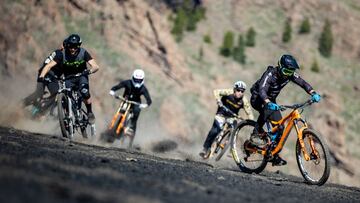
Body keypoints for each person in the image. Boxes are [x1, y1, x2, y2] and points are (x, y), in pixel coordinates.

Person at [249, 54, 321, 166]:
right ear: (280, 67)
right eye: (286, 71)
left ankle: (273, 155)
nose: (288, 74)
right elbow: (262, 89)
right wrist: (267, 102)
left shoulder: (289, 74)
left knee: (280, 127)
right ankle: (256, 134)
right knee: (266, 109)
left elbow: (302, 83)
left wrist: (313, 92)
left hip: (271, 101)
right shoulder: (270, 74)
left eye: (290, 72)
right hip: (258, 98)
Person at [39, 34, 100, 124]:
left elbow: (96, 66)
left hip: (81, 76)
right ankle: (68, 115)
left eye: (75, 47)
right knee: (66, 95)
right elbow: (48, 66)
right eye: (70, 46)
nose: (72, 49)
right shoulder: (62, 54)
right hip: (68, 78)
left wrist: (89, 71)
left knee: (85, 93)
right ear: (67, 45)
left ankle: (89, 112)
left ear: (79, 46)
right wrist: (41, 77)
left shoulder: (83, 52)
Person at [200, 80, 254, 159]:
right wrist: (218, 100)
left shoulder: (244, 100)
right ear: (234, 89)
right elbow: (216, 91)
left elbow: (249, 113)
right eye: (238, 90)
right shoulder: (228, 92)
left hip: (232, 117)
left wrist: (251, 123)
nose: (240, 93)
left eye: (242, 91)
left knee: (235, 129)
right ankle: (205, 148)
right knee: (215, 130)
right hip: (221, 115)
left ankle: (230, 149)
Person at [23, 39, 67, 116]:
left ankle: (41, 109)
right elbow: (48, 66)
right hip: (46, 74)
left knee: (57, 94)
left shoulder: (60, 53)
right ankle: (21, 105)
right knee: (38, 94)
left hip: (51, 76)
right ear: (63, 47)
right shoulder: (59, 54)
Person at [109, 69, 152, 136]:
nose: (137, 81)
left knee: (136, 112)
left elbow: (149, 101)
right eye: (136, 79)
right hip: (125, 100)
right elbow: (117, 87)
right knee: (121, 111)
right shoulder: (127, 83)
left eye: (139, 80)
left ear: (142, 80)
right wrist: (112, 91)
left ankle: (131, 128)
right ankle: (113, 127)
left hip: (136, 103)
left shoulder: (143, 88)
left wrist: (145, 105)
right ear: (133, 77)